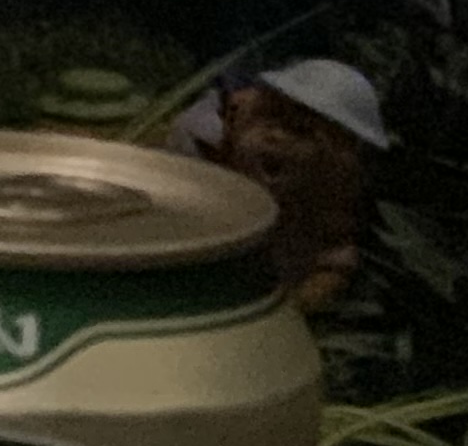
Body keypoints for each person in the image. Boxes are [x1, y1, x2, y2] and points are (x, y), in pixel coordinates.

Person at [164, 56, 389, 312]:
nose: (276, 137)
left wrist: (295, 307)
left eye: (300, 131)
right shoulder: (212, 149)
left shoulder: (327, 207)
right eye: (271, 121)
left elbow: (333, 261)